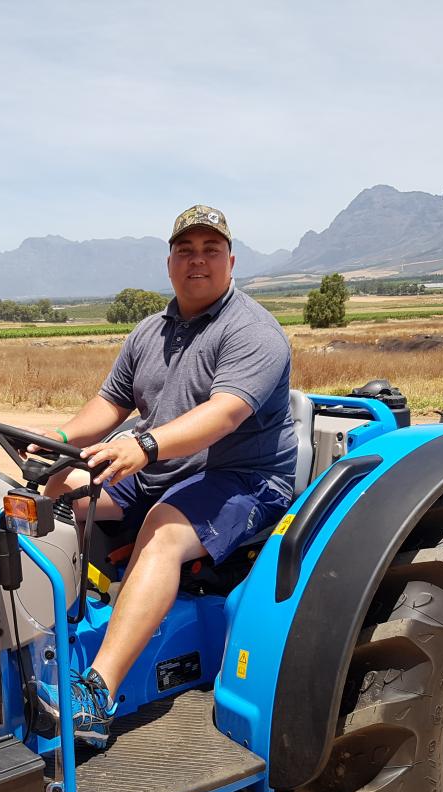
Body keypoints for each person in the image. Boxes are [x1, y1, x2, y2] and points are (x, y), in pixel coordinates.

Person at [36, 204, 297, 748]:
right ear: (170, 261)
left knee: (159, 530)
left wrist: (146, 444)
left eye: (210, 251)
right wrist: (56, 445)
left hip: (241, 477)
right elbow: (109, 405)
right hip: (162, 467)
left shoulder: (251, 330)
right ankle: (48, 628)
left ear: (231, 261)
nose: (196, 261)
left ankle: (96, 693)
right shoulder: (150, 332)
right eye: (186, 250)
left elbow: (224, 413)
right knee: (57, 494)